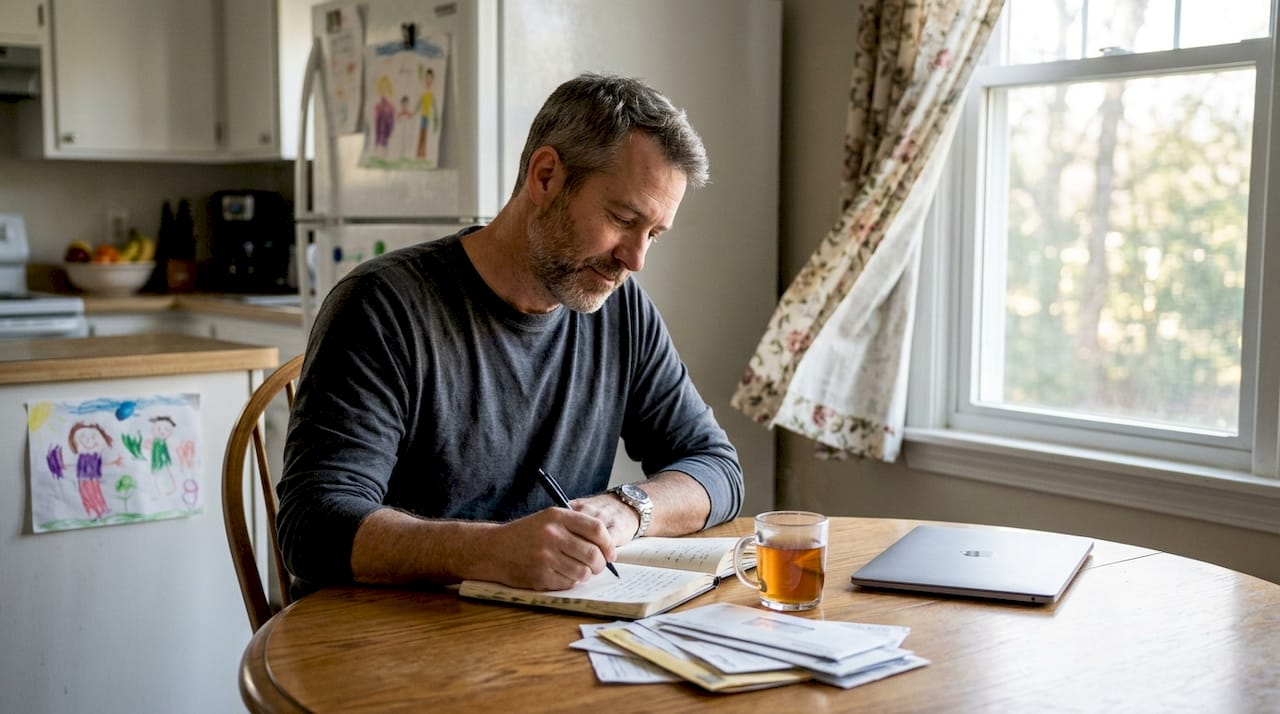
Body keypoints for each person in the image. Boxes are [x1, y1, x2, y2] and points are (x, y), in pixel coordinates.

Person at [277, 73, 743, 596]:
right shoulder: (383, 305)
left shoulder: (622, 311)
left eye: (653, 234)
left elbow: (717, 468)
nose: (635, 260)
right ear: (545, 177)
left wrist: (629, 508)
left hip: (542, 636)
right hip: (389, 639)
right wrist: (489, 551)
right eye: (621, 218)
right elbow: (311, 527)